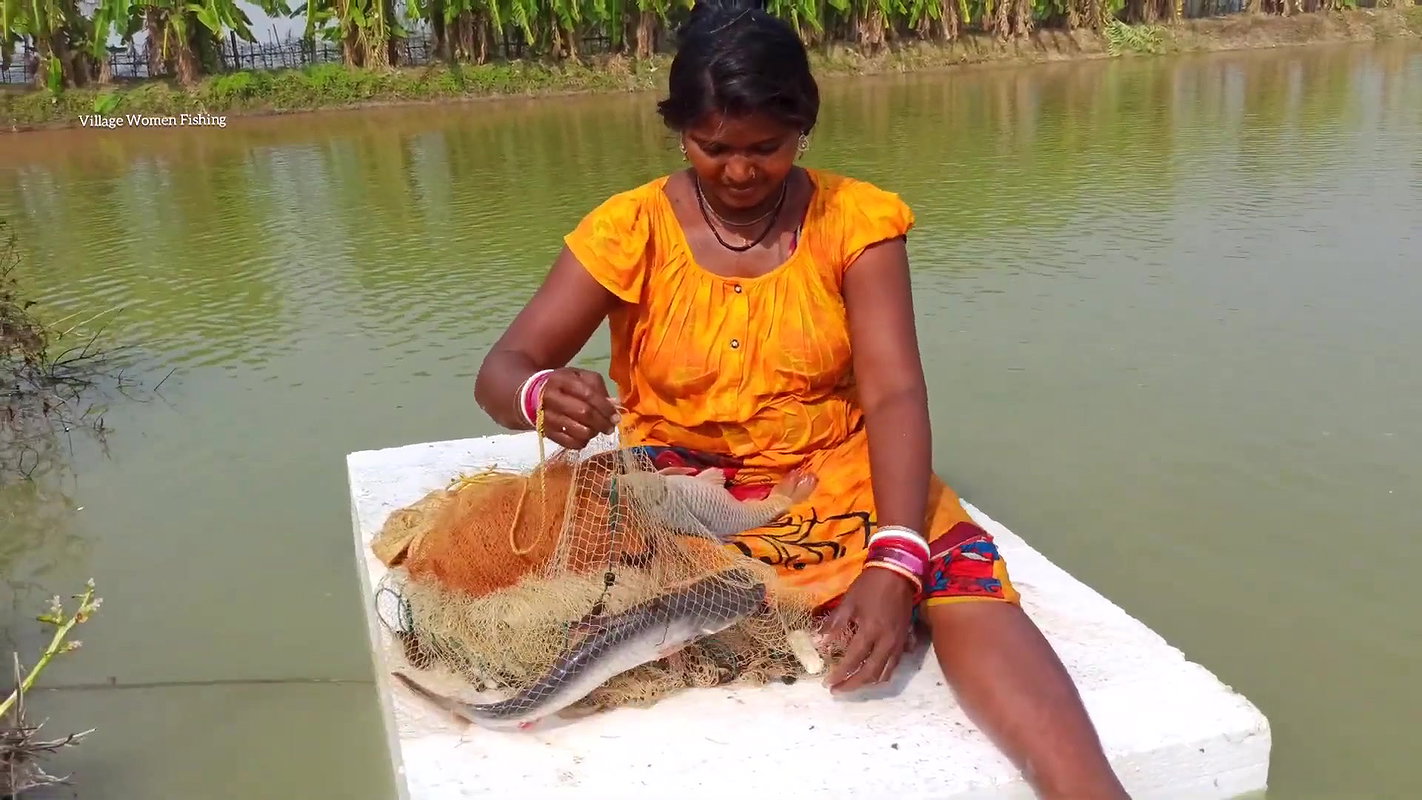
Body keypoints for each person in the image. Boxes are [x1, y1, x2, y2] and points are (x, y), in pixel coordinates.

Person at [473, 1, 1131, 796]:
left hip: (833, 473)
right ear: (679, 132)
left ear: (804, 129)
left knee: (957, 575)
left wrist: (895, 555)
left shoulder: (855, 223)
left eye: (767, 148)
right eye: (714, 149)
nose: (741, 171)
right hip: (683, 486)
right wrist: (543, 390)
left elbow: (893, 394)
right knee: (570, 578)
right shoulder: (630, 228)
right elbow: (503, 368)